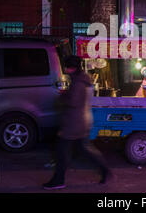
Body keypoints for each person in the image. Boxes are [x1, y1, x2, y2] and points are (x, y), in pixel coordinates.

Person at [43, 55, 113, 190]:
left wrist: (63, 95)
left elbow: (73, 102)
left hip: (74, 122)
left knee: (62, 152)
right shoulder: (83, 79)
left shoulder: (78, 82)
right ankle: (105, 171)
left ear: (71, 68)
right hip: (82, 120)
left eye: (66, 66)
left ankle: (59, 180)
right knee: (83, 149)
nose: (65, 69)